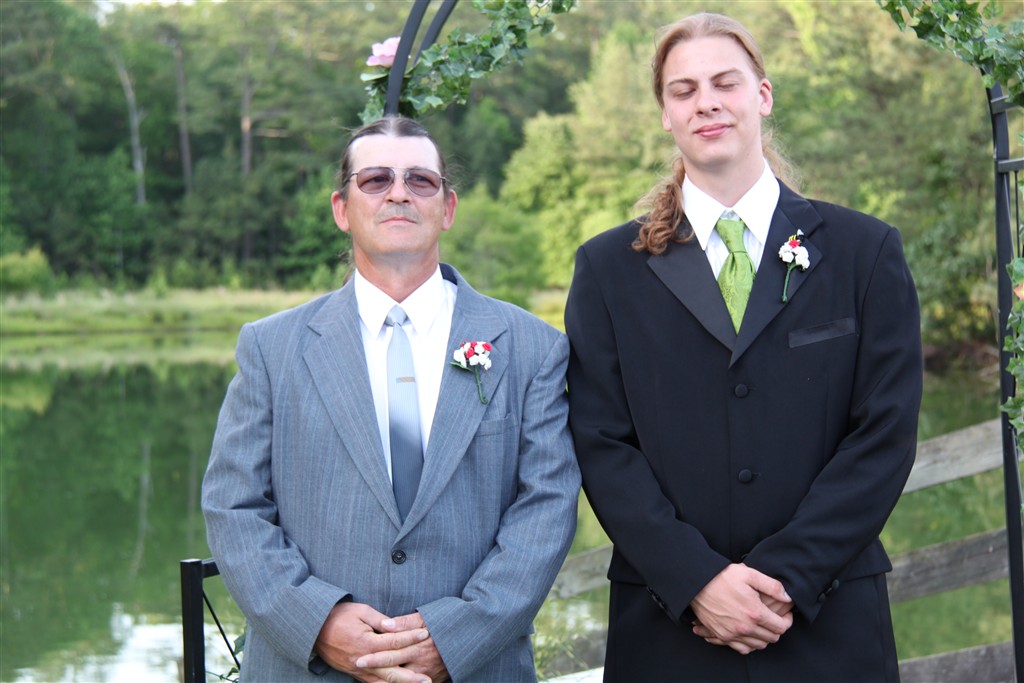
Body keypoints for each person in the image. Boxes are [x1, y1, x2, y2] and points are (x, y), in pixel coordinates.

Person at [564, 12, 921, 682]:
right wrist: (696, 579)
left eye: (725, 83)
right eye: (684, 90)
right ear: (666, 113)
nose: (706, 102)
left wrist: (787, 577)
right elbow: (601, 442)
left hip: (826, 621)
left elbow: (885, 432)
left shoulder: (865, 252)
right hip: (669, 628)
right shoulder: (608, 269)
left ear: (762, 95)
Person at [203, 115, 580, 683]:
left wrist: (456, 637)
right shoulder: (271, 348)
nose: (399, 193)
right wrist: (317, 623)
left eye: (420, 180)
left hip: (476, 669)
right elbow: (233, 506)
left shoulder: (532, 347)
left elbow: (547, 506)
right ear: (342, 208)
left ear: (447, 208)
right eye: (376, 179)